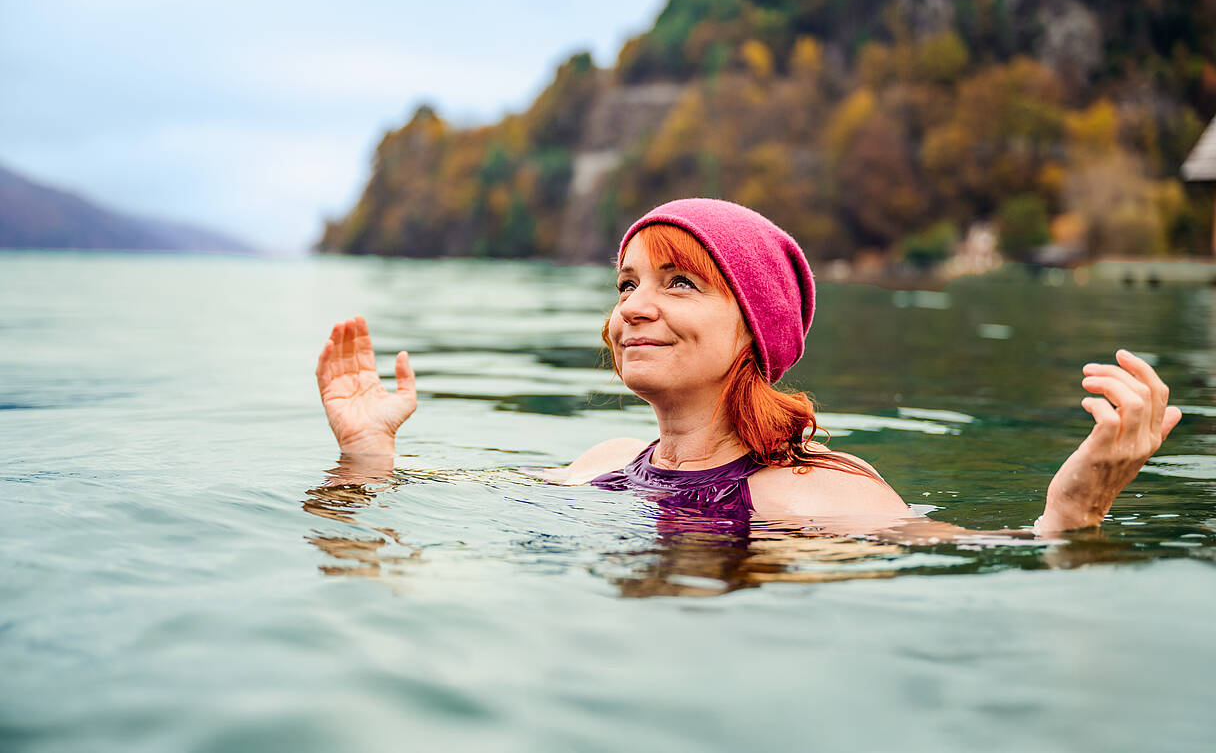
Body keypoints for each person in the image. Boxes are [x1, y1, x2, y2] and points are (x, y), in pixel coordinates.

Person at [315, 198, 1182, 537]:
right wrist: (366, 457)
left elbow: (1006, 558)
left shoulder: (815, 494)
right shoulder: (604, 466)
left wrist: (1073, 512)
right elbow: (437, 499)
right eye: (627, 284)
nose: (634, 307)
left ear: (751, 333)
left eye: (679, 283)